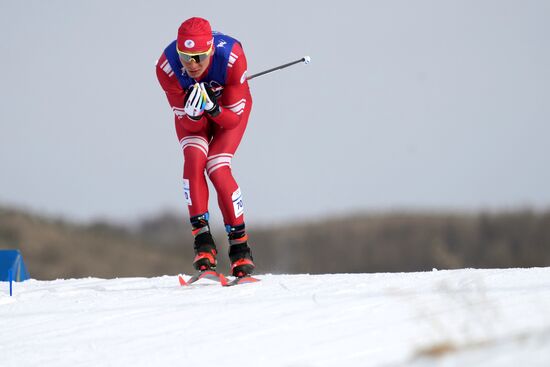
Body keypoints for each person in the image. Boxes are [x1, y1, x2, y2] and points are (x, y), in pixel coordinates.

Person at [156, 17, 254, 277]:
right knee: (194, 159)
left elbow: (232, 120)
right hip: (195, 120)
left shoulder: (232, 58)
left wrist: (213, 108)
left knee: (217, 166)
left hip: (226, 115)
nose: (192, 65)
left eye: (199, 57)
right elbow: (188, 126)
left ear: (210, 50)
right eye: (185, 57)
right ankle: (203, 243)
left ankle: (240, 249)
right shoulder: (166, 67)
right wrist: (195, 115)